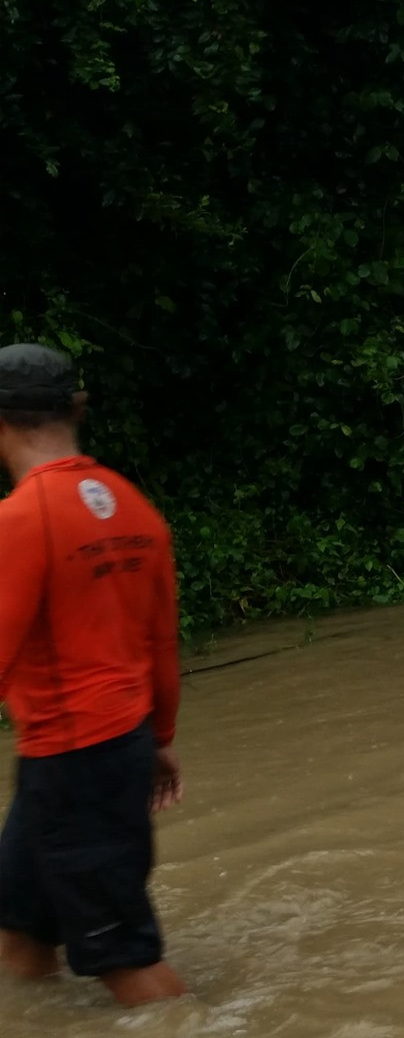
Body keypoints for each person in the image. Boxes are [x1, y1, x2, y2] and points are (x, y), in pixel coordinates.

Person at [0, 344, 187, 1007]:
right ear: (76, 409)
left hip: (74, 760)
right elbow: (161, 641)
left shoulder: (21, 521)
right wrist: (159, 738)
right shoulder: (134, 509)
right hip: (109, 746)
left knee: (125, 960)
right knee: (19, 924)